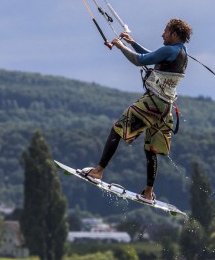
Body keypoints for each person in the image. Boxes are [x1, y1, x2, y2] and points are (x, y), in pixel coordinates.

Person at [81, 18, 191, 203]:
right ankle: (148, 193)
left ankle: (98, 171)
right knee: (151, 149)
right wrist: (132, 43)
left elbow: (139, 61)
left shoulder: (169, 49)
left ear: (174, 33)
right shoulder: (182, 52)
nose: (162, 34)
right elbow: (153, 56)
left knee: (117, 128)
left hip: (152, 104)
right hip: (166, 109)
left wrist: (120, 46)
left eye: (165, 31)